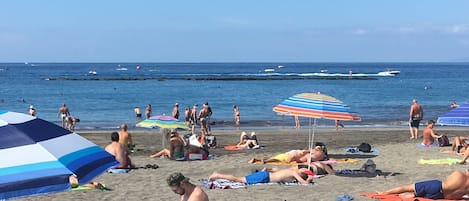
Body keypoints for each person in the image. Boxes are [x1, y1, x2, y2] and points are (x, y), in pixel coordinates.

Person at [378, 170, 469, 200]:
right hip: (443, 197)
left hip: (437, 186)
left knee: (406, 187)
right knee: (421, 194)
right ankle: (414, 195)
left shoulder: (458, 173)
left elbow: (447, 181)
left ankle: (383, 193)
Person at [208, 167, 314, 185]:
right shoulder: (293, 172)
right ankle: (217, 175)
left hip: (265, 175)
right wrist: (309, 179)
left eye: (304, 169)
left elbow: (276, 170)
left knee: (240, 178)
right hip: (265, 177)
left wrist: (266, 169)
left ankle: (218, 175)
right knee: (239, 179)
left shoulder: (292, 171)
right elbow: (304, 183)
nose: (302, 168)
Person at [248, 147, 325, 164]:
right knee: (278, 159)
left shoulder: (308, 153)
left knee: (276, 158)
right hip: (291, 155)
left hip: (290, 153)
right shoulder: (308, 153)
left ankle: (256, 159)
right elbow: (308, 156)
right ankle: (264, 160)